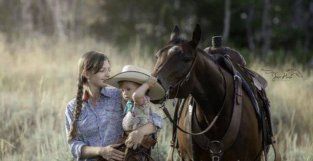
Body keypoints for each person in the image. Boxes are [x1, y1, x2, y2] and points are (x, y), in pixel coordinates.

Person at [65, 51, 164, 161]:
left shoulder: (119, 95)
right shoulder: (72, 107)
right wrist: (101, 151)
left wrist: (140, 132)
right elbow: (74, 146)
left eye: (109, 70)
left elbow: (157, 120)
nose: (108, 75)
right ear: (86, 73)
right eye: (102, 70)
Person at [104, 65, 165, 160]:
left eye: (128, 89)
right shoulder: (130, 103)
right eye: (123, 90)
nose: (124, 93)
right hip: (128, 139)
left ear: (142, 89)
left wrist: (147, 84)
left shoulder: (140, 101)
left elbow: (136, 96)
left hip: (138, 143)